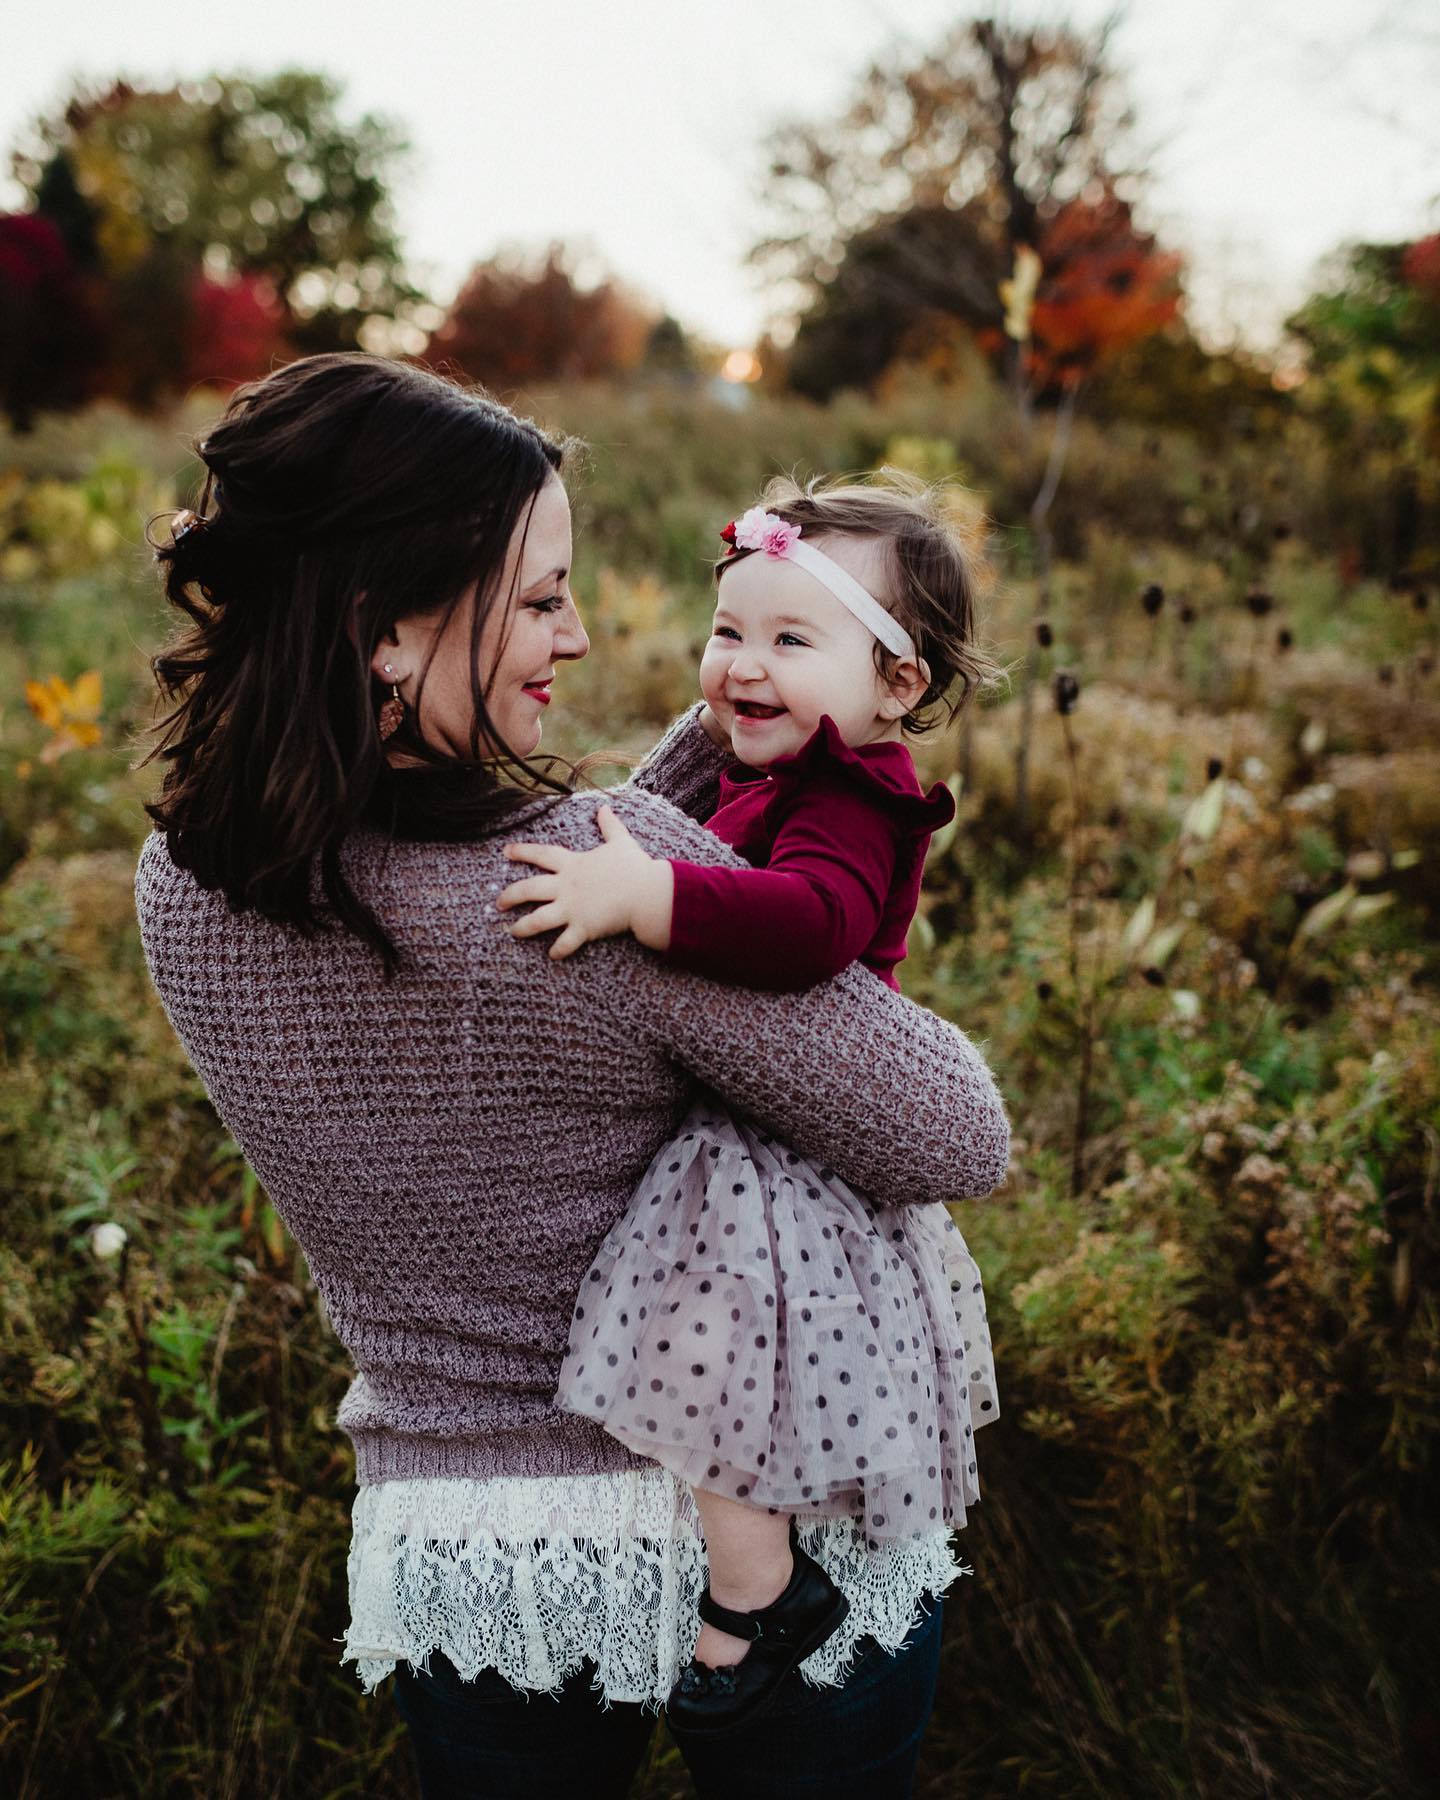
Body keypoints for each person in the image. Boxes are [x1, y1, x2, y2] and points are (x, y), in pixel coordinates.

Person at [134, 352, 1011, 1800]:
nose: (584, 635)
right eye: (541, 598)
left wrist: (717, 730)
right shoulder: (598, 892)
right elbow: (951, 1129)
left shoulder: (189, 890)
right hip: (770, 1488)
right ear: (385, 633)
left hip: (470, 1549)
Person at [498, 475, 1003, 1732]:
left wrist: (643, 902)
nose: (744, 669)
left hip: (790, 1155)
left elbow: (811, 929)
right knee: (705, 1360)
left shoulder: (854, 795)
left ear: (897, 687)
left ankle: (756, 1595)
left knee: (707, 1360)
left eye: (791, 640)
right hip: (746, 1133)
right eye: (728, 634)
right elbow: (663, 810)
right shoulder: (769, 759)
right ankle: (754, 1580)